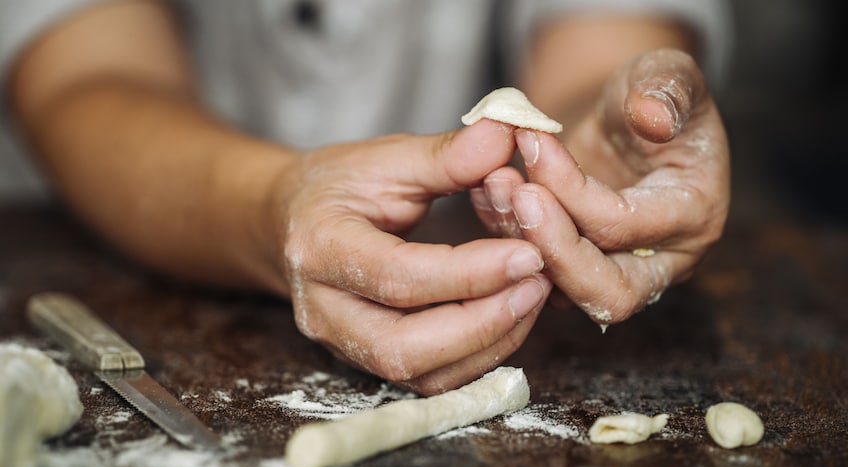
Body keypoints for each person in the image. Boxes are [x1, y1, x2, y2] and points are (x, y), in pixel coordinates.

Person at [0, 1, 731, 395]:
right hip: (97, 245)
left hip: (465, 227)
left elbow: (602, 43)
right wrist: (272, 206)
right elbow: (84, 76)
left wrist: (604, 139)